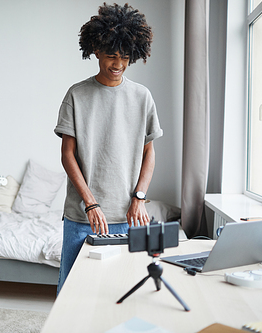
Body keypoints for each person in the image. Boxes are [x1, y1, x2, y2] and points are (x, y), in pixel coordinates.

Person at [54, 3, 163, 295]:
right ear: (96, 51)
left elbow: (148, 151)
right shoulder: (77, 95)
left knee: (123, 291)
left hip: (129, 216)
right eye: (111, 55)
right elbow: (67, 155)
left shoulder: (142, 97)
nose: (118, 63)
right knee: (73, 292)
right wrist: (90, 202)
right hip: (83, 216)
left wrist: (139, 197)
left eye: (125, 57)